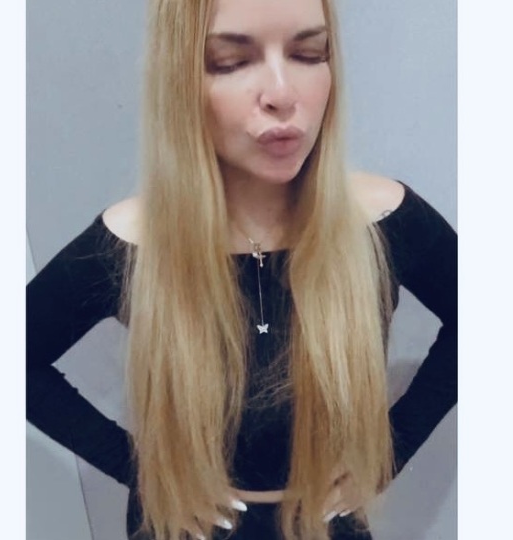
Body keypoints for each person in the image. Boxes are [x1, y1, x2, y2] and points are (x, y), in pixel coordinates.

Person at [26, 0, 457, 539]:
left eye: (309, 53)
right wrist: (144, 471)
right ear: (180, 79)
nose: (282, 94)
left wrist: (392, 448)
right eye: (230, 62)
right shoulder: (131, 243)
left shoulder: (385, 220)